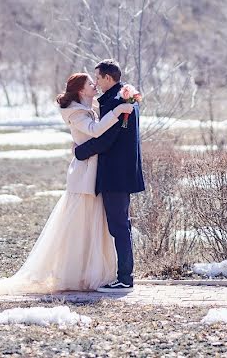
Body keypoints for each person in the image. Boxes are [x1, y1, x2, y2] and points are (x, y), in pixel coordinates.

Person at [0, 73, 134, 294]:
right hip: (83, 176)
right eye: (91, 83)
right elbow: (95, 132)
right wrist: (117, 111)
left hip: (94, 173)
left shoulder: (88, 109)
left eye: (95, 81)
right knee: (78, 225)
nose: (95, 85)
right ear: (81, 90)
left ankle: (90, 272)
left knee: (91, 225)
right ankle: (74, 273)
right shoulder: (76, 112)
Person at [73, 59, 145, 291]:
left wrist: (80, 151)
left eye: (98, 78)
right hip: (122, 171)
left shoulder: (117, 100)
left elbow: (106, 138)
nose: (96, 83)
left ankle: (125, 277)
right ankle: (123, 275)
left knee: (119, 226)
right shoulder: (124, 97)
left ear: (107, 78)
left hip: (116, 173)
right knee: (120, 225)